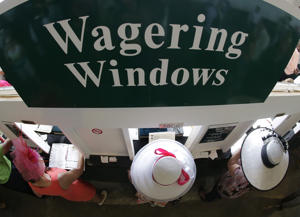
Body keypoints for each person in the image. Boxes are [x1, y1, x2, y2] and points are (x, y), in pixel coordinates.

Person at [11, 137, 108, 205]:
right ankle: (100, 200)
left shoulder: (31, 182)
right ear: (39, 169)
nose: (41, 159)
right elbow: (78, 170)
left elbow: (39, 194)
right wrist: (80, 149)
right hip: (79, 190)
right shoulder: (59, 179)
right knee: (90, 194)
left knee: (78, 197)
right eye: (40, 160)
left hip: (68, 195)